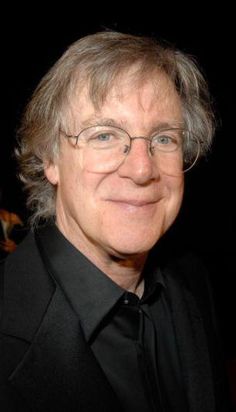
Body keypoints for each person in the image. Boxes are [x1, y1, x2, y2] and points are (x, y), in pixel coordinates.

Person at [0, 31, 232, 411]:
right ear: (51, 159)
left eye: (163, 138)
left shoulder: (193, 284)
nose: (142, 170)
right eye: (104, 135)